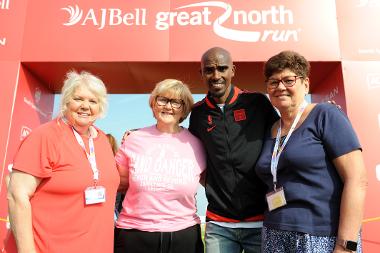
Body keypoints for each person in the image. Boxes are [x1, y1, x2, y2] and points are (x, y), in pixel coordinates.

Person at [255, 50, 367, 252]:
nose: (280, 87)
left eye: (289, 80)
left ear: (305, 84)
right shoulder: (271, 129)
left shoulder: (326, 115)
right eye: (273, 82)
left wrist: (346, 246)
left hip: (321, 236)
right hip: (274, 233)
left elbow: (357, 179)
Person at [6, 70, 119, 253]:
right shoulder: (45, 136)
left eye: (93, 101)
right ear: (66, 101)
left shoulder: (103, 140)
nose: (85, 106)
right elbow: (17, 196)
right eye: (78, 99)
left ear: (101, 107)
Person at [189, 47, 279, 253]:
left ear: (233, 70)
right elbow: (184, 148)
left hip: (261, 221)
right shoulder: (198, 113)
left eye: (222, 68)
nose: (216, 75)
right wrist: (141, 133)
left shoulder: (257, 103)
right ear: (201, 73)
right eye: (209, 70)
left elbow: (283, 135)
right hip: (219, 224)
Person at [114, 79, 206, 253]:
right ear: (153, 104)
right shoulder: (134, 139)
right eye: (162, 99)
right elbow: (119, 183)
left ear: (184, 109)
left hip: (184, 236)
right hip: (135, 234)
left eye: (176, 102)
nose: (168, 106)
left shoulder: (197, 144)